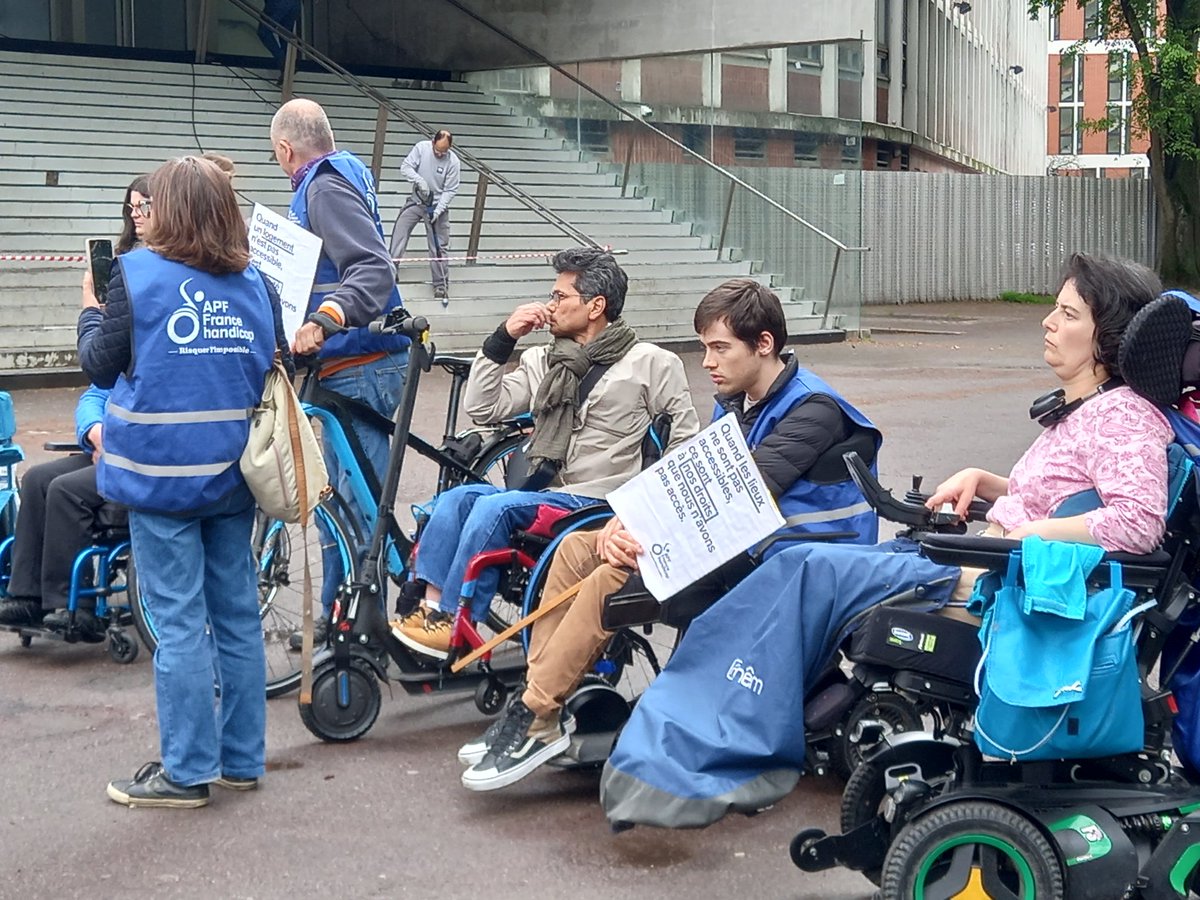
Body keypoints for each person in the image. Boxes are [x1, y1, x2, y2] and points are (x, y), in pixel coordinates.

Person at [600, 253, 1174, 828]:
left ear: (1108, 336)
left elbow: (1138, 521)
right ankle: (709, 724)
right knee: (802, 570)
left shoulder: (1122, 416)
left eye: (1068, 314)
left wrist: (1027, 534)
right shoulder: (1086, 412)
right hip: (991, 561)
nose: (1048, 321)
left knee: (805, 570)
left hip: (998, 580)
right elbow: (1066, 495)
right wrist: (988, 482)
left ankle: (713, 745)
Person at [458, 278, 882, 791]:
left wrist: (639, 530)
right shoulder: (739, 399)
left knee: (613, 577)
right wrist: (622, 520)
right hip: (746, 542)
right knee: (575, 548)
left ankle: (536, 712)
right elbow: (690, 479)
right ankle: (542, 702)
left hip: (801, 563)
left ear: (764, 344)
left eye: (720, 348)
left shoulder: (814, 409)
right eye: (705, 348)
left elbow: (737, 492)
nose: (707, 362)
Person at [78, 156, 291, 809]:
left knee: (178, 624)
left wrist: (89, 310)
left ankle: (187, 772)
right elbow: (274, 362)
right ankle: (241, 760)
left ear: (169, 211)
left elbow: (99, 365)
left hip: (160, 478)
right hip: (232, 477)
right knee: (235, 617)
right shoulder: (257, 283)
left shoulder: (134, 275)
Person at [393, 246, 701, 657]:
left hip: (598, 501)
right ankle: (432, 613)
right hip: (546, 492)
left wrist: (643, 510)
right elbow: (484, 408)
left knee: (495, 508)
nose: (550, 305)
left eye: (560, 296)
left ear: (595, 306)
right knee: (457, 499)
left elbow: (684, 441)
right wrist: (503, 339)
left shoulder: (651, 363)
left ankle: (456, 619)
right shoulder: (543, 359)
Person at [270, 98, 410, 644]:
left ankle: (366, 631)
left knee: (360, 506)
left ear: (286, 149)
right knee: (340, 503)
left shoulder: (323, 188)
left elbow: (373, 269)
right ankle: (338, 619)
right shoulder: (333, 180)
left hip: (361, 363)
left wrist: (325, 319)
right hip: (346, 364)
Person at [0, 175, 151, 634]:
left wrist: (91, 312)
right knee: (38, 478)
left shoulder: (150, 310)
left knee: (67, 490)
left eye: (144, 207)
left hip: (144, 454)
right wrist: (93, 431)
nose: (135, 216)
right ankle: (26, 596)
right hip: (113, 440)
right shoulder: (121, 321)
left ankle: (70, 605)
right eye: (131, 208)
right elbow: (97, 390)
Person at [388, 130, 461, 303]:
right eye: (437, 150)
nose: (440, 154)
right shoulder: (421, 148)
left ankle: (440, 284)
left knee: (438, 246)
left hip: (436, 206)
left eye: (444, 151)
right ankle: (390, 270)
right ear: (432, 142)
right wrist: (419, 181)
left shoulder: (453, 162)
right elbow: (405, 167)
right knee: (399, 232)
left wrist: (438, 210)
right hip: (416, 201)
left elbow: (450, 190)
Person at [257, 0, 301, 78]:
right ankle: (288, 66)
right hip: (295, 4)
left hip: (278, 3)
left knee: (264, 31)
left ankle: (283, 62)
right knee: (285, 35)